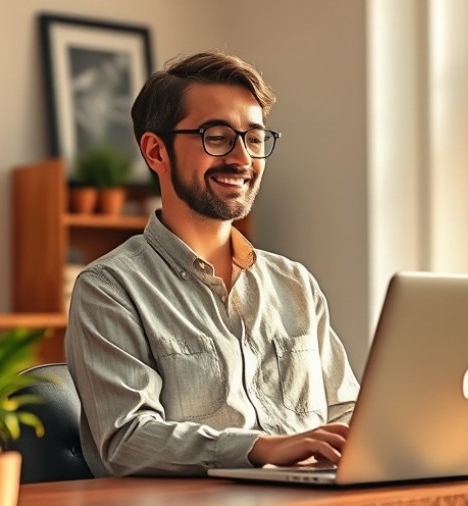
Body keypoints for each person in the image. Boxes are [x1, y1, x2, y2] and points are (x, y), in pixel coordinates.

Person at [65, 49, 360, 477]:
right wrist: (261, 448)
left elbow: (344, 409)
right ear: (155, 152)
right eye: (217, 137)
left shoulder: (295, 283)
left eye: (255, 139)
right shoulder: (109, 288)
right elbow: (126, 440)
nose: (242, 159)